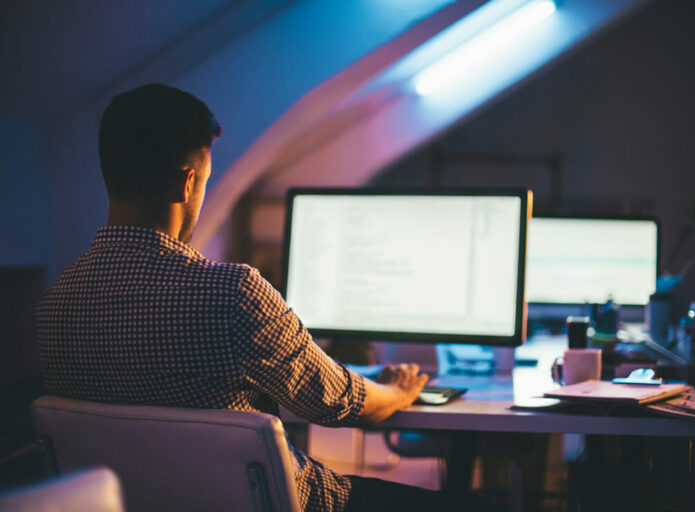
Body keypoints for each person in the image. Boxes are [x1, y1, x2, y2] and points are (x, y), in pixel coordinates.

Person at [36, 84, 498, 511]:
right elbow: (339, 403)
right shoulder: (232, 292)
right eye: (206, 179)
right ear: (185, 183)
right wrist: (397, 390)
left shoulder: (54, 304)